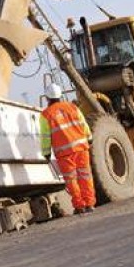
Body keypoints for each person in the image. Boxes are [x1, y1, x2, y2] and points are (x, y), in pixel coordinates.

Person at [39, 84, 96, 214]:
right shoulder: (73, 107)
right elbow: (83, 124)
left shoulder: (46, 115)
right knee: (85, 176)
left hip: (64, 153)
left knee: (71, 180)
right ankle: (90, 204)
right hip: (81, 148)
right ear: (60, 95)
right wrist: (89, 137)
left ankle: (79, 206)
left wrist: (46, 153)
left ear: (47, 98)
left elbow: (45, 136)